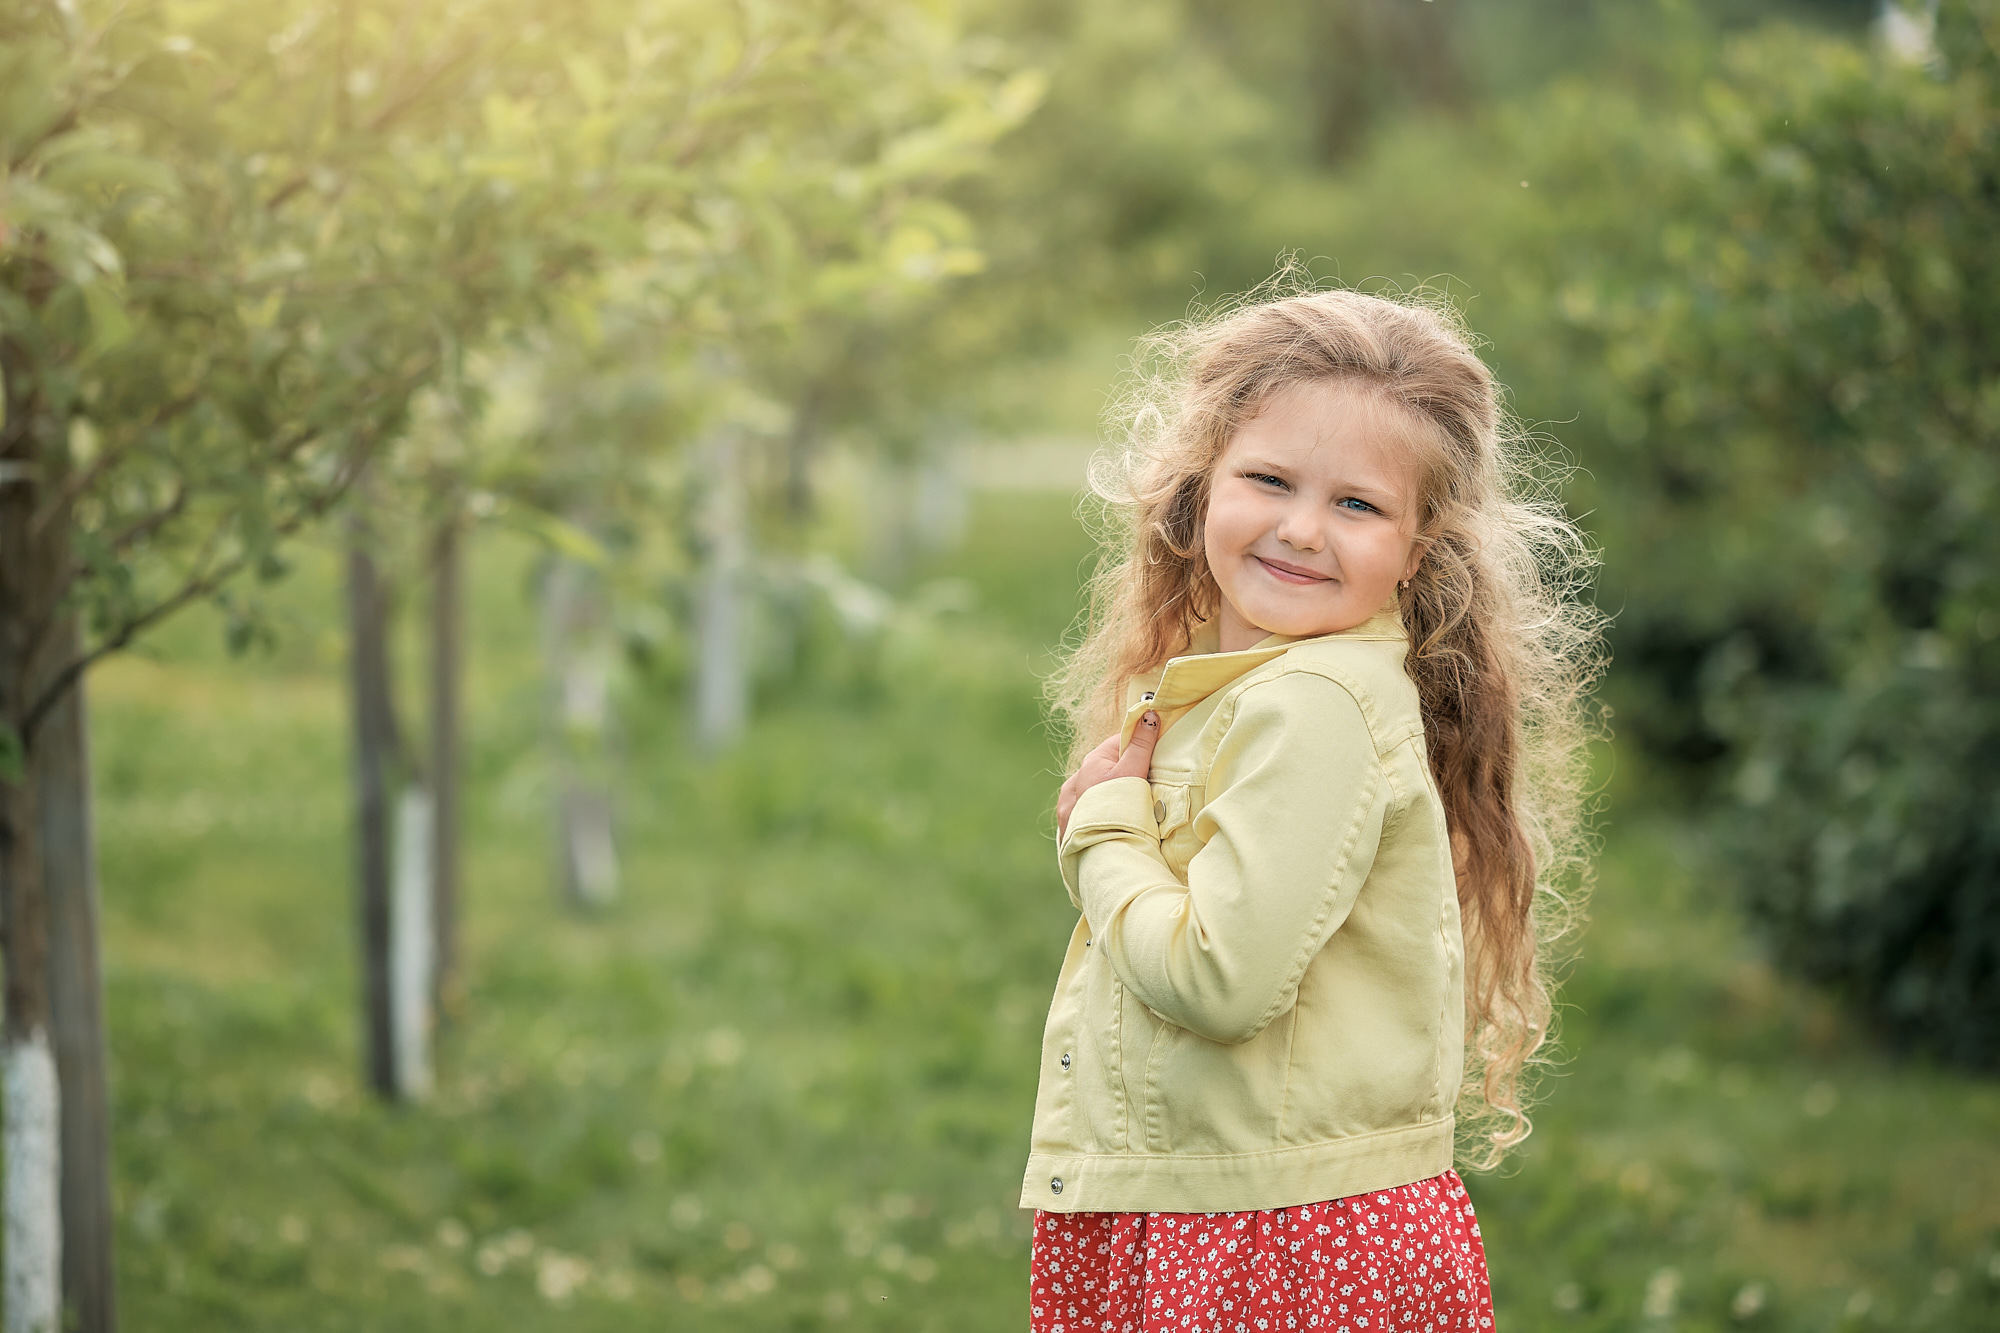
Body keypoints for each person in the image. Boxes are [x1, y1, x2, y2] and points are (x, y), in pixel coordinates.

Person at [1021, 275, 1607, 1331]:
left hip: (1272, 1239)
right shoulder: (1266, 686)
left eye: (1355, 503)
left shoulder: (1312, 706)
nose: (1300, 529)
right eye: (1269, 479)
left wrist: (1101, 832)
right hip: (1245, 1202)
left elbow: (1215, 978)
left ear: (1415, 546)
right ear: (1201, 484)